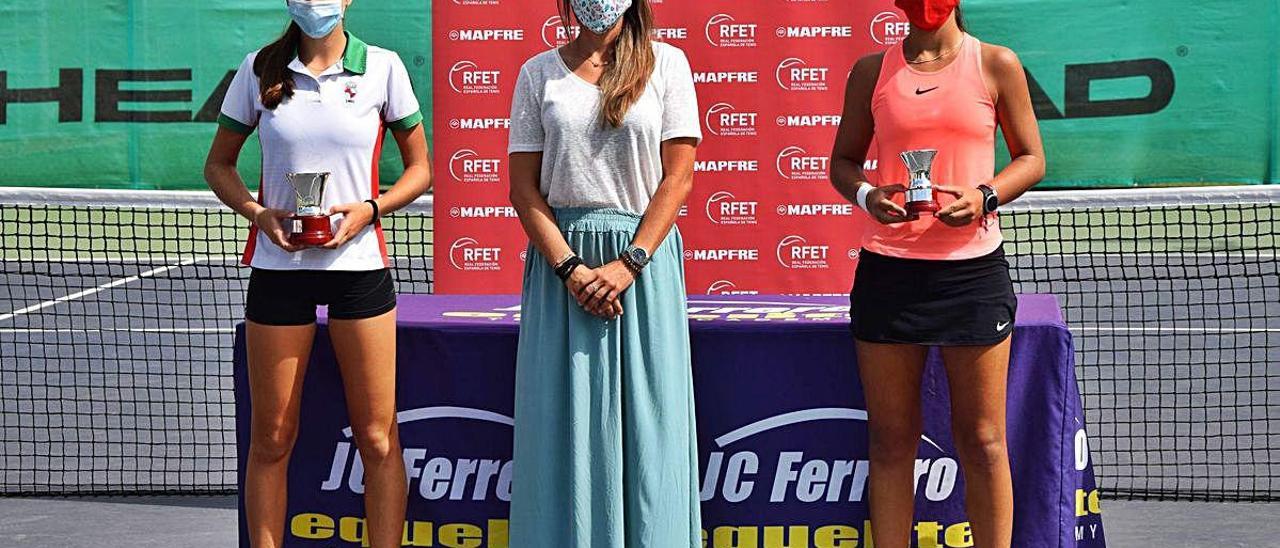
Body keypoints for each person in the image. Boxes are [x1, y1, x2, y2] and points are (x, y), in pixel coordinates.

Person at [203, 1, 430, 546]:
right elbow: (218, 165)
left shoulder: (383, 68)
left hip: (360, 272)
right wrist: (259, 214)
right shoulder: (259, 68)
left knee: (378, 439)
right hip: (279, 272)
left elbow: (420, 169)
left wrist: (370, 210)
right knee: (272, 438)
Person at [828, 1, 1045, 546]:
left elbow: (1031, 158)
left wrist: (985, 196)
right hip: (888, 277)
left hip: (972, 278)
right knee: (892, 441)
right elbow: (842, 163)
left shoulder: (996, 63)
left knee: (984, 440)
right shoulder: (871, 72)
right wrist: (867, 194)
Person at [505, 0, 703, 545]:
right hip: (560, 272)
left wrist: (629, 261)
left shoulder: (668, 64)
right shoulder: (536, 73)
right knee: (559, 426)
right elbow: (524, 190)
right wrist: (570, 268)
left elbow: (678, 178)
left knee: (651, 431)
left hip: (642, 269)